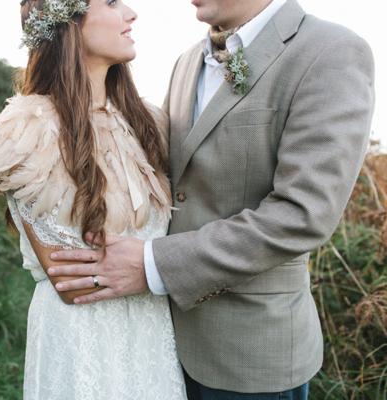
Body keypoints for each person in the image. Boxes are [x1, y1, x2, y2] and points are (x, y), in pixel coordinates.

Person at [47, 0, 376, 398]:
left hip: (250, 354)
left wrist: (153, 264)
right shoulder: (188, 62)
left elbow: (303, 214)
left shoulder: (330, 51)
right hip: (156, 346)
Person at [0, 0, 187, 398]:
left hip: (154, 340)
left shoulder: (150, 124)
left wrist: (153, 262)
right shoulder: (29, 130)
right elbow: (72, 282)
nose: (131, 13)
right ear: (68, 21)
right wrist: (157, 262)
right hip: (83, 344)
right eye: (113, 2)